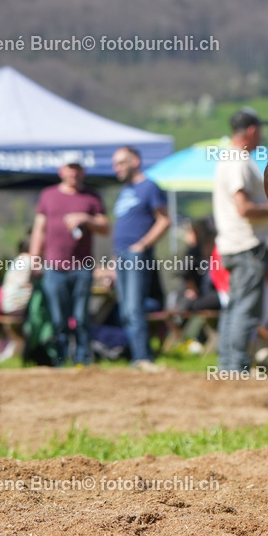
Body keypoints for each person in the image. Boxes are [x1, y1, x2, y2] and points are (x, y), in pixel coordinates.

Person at [212, 108, 268, 372]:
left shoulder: (228, 158)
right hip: (247, 245)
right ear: (251, 130)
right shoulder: (239, 160)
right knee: (246, 309)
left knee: (235, 306)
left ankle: (227, 363)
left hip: (233, 244)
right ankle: (235, 366)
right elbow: (244, 207)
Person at [30, 162, 109, 366]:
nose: (73, 173)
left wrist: (86, 218)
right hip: (54, 268)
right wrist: (35, 258)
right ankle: (60, 359)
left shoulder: (91, 196)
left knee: (82, 317)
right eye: (69, 168)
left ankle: (83, 359)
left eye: (77, 168)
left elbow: (105, 227)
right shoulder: (48, 195)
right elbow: (39, 229)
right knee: (58, 319)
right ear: (61, 171)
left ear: (82, 172)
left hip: (82, 267)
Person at [111, 146, 170, 370]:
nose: (116, 168)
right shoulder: (125, 191)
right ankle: (136, 357)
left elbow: (164, 220)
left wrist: (142, 245)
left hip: (137, 257)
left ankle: (143, 358)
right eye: (115, 164)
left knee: (134, 309)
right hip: (121, 257)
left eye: (121, 163)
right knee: (125, 310)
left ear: (135, 161)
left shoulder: (149, 187)